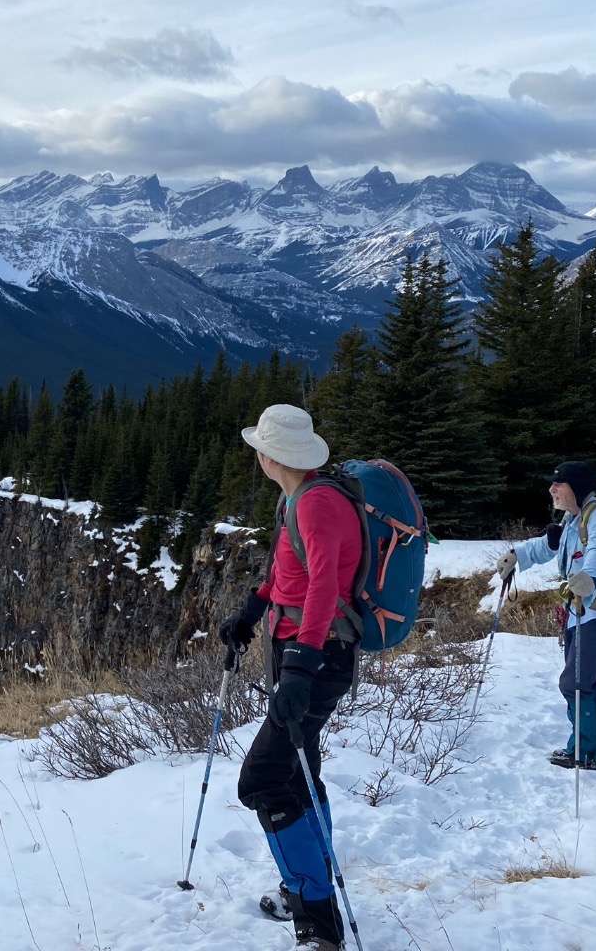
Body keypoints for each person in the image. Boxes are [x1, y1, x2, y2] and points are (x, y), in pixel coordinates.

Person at [219, 404, 361, 951]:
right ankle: (307, 882)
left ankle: (317, 923)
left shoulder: (318, 503)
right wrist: (253, 611)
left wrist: (301, 664)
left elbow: (325, 585)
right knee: (301, 774)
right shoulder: (298, 496)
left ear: (269, 454)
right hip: (307, 649)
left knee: (262, 782)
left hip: (318, 656)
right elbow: (290, 571)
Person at [495, 460, 596, 770]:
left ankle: (584, 752)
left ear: (577, 488)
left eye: (559, 484)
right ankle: (595, 751)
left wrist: (589, 579)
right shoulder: (574, 519)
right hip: (579, 612)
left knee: (576, 683)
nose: (551, 489)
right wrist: (518, 556)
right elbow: (548, 546)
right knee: (587, 680)